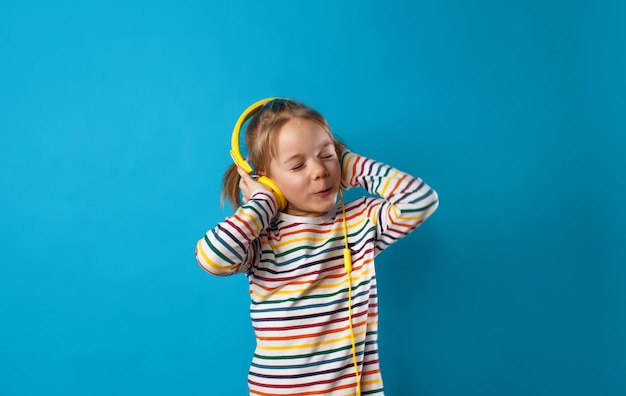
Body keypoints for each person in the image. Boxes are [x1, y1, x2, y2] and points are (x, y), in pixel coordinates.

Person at [195, 99, 439, 396]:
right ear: (265, 179)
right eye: (298, 165)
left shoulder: (360, 222)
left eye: (326, 155)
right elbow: (212, 258)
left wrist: (353, 166)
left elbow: (420, 201)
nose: (320, 170)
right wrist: (262, 204)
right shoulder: (261, 237)